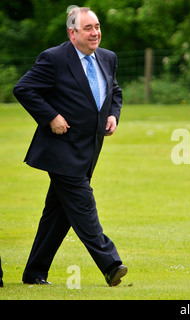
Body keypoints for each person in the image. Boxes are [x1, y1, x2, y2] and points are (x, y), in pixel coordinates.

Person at [13, 7, 127, 286]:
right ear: (72, 33)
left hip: (89, 151)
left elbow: (115, 91)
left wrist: (113, 114)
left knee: (58, 214)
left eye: (97, 26)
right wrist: (50, 116)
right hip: (60, 151)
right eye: (88, 28)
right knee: (83, 205)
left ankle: (34, 272)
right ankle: (110, 264)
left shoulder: (107, 58)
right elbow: (24, 88)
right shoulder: (54, 58)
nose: (95, 32)